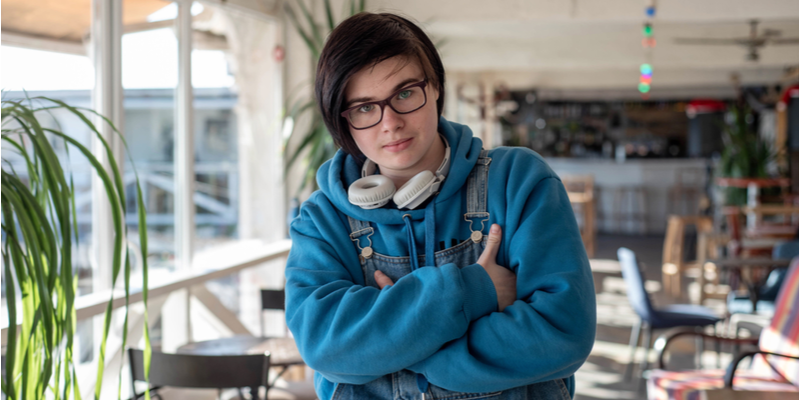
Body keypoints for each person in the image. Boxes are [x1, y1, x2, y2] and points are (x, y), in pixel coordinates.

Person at [285, 12, 596, 400]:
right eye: (364, 107)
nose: (391, 123)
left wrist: (396, 350)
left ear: (434, 87)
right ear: (342, 120)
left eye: (404, 93)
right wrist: (474, 290)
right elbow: (323, 345)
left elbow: (562, 330)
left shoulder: (518, 181)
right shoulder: (322, 219)